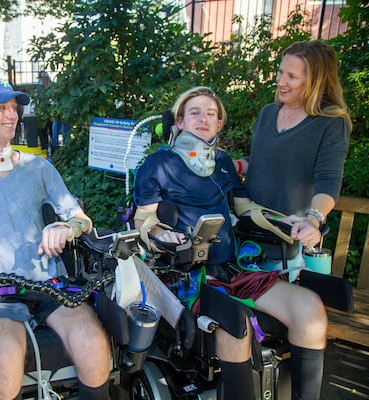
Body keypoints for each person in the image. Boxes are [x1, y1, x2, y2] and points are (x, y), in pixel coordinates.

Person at [133, 86, 328, 400]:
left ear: (219, 125)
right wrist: (159, 234)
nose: (204, 118)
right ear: (179, 121)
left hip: (231, 271)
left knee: (310, 308)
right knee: (235, 324)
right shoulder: (158, 163)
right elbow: (143, 219)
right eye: (195, 112)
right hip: (185, 275)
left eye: (211, 114)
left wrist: (286, 223)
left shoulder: (222, 163)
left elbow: (247, 208)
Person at [0, 77, 111, 400]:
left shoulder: (39, 168)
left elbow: (82, 220)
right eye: (1, 108)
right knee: (3, 359)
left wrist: (67, 228)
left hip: (49, 285)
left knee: (94, 344)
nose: (12, 115)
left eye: (14, 108)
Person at [235, 40, 352, 256]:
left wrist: (312, 220)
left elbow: (329, 180)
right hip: (248, 230)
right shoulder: (267, 113)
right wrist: (234, 165)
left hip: (288, 236)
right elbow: (260, 160)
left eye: (292, 76)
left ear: (315, 82)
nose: (280, 81)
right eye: (280, 72)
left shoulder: (332, 123)